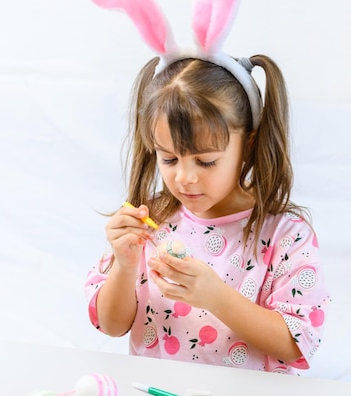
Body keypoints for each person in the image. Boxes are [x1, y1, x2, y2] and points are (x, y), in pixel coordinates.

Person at [85, 0, 330, 375]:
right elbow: (112, 325)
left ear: (247, 146)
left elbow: (296, 344)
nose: (184, 177)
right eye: (168, 159)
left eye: (205, 161)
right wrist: (124, 263)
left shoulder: (284, 235)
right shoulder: (152, 220)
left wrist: (216, 298)